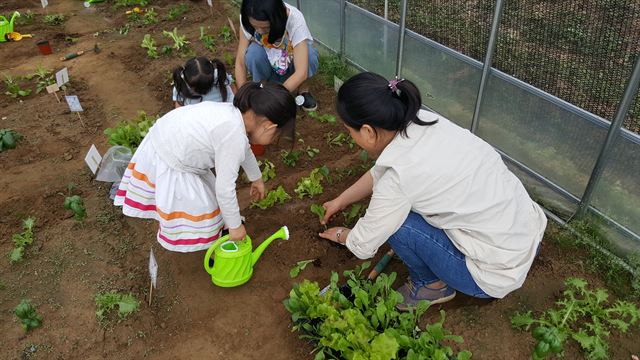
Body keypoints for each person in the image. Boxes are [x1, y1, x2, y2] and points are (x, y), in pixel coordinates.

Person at [318, 72, 547, 310]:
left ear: (367, 131)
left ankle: (431, 286)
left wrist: (342, 234)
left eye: (349, 131)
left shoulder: (398, 180)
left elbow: (363, 245)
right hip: (526, 233)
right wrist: (341, 201)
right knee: (400, 212)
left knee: (399, 225)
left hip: (493, 274)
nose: (350, 137)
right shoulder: (422, 121)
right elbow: (383, 171)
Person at [114, 82, 296, 252]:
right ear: (268, 126)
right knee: (203, 209)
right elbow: (225, 190)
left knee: (211, 200)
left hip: (167, 139)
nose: (272, 142)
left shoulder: (233, 114)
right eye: (274, 137)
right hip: (172, 157)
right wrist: (236, 228)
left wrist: (256, 179)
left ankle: (219, 230)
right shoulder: (232, 136)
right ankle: (208, 242)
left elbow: (245, 151)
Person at [235, 0, 319, 112]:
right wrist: (243, 96)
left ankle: (303, 91)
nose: (260, 31)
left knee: (309, 54)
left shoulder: (294, 19)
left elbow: (301, 72)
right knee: (253, 54)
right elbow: (240, 62)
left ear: (277, 19)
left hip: (292, 67)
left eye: (266, 27)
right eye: (255, 27)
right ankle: (262, 88)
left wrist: (274, 97)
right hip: (268, 67)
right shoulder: (247, 17)